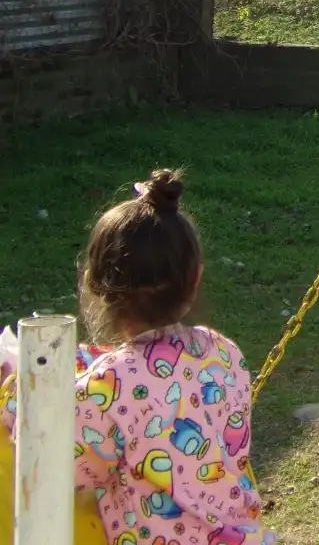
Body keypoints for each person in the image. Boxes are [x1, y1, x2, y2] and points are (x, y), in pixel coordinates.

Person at [0, 169, 276, 543]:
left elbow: (53, 456)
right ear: (194, 280)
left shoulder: (108, 386)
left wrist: (20, 396)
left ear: (96, 285)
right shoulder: (222, 352)